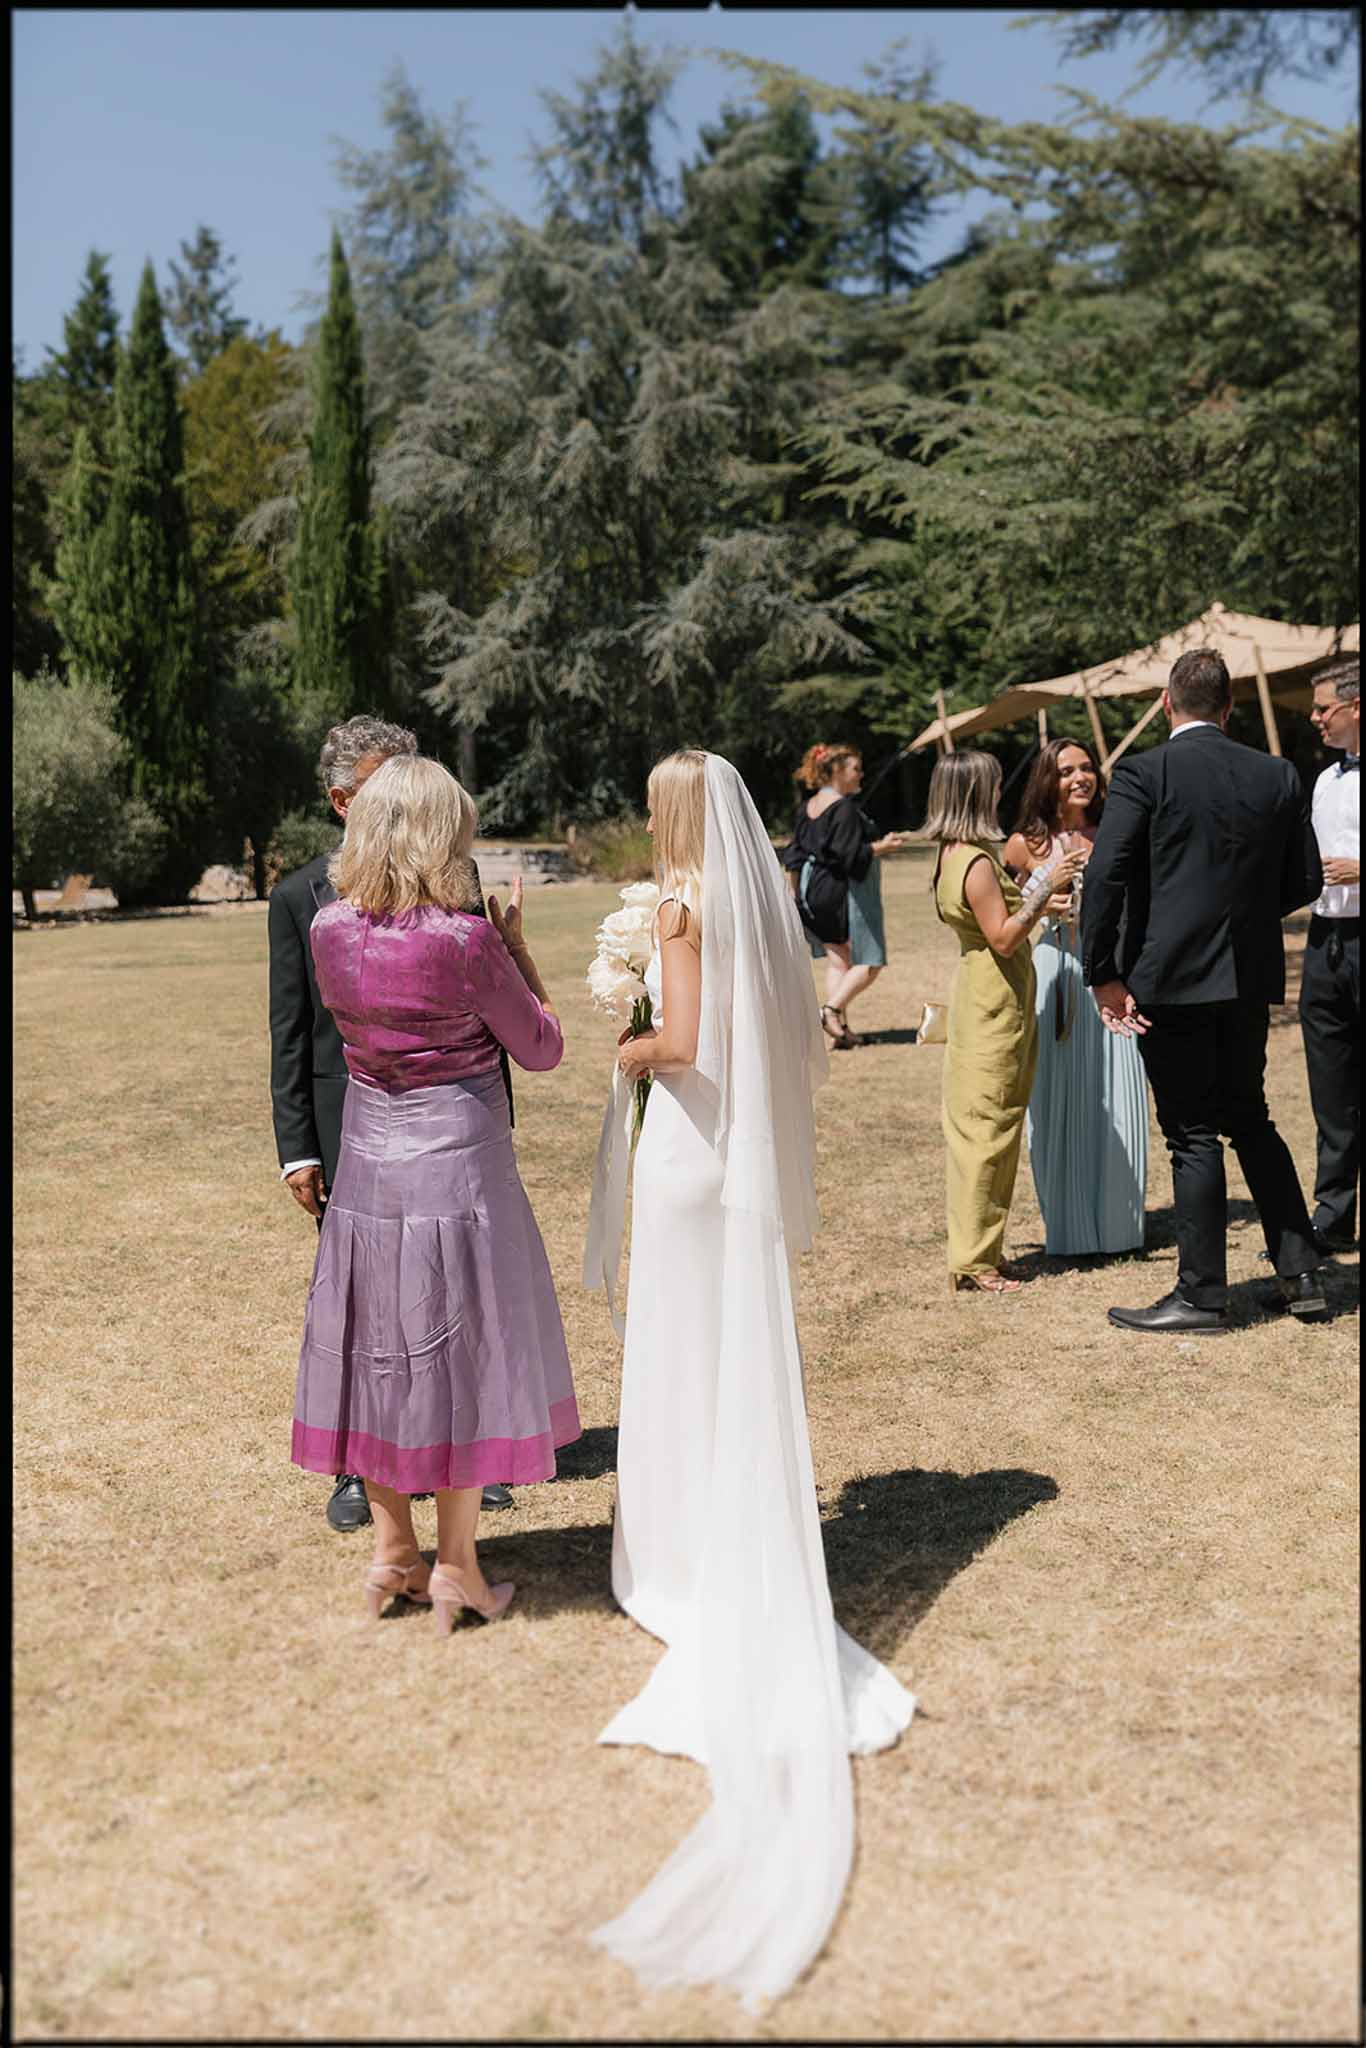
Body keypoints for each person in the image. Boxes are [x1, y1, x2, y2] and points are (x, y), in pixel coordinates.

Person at [583, 749, 914, 2008]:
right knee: (722, 1355)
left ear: (671, 816)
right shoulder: (764, 895)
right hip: (742, 1166)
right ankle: (718, 1527)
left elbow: (677, 1037)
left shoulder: (677, 905)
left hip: (685, 1159)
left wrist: (625, 1043)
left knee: (672, 1359)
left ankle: (669, 1555)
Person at [290, 755, 579, 1622]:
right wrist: (517, 943)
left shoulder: (329, 929)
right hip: (460, 1168)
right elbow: (542, 1046)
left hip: (370, 1169)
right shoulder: (464, 940)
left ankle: (391, 1554)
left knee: (379, 1351)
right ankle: (456, 1567)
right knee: (464, 1356)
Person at [269, 715, 515, 1527]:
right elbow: (291, 1030)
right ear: (342, 801)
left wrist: (497, 1110)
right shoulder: (301, 897)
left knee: (457, 1303)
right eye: (381, 787)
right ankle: (358, 1468)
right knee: (370, 1315)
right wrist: (298, 1149)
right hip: (356, 1130)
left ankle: (467, 1455)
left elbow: (483, 999)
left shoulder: (455, 876)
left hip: (455, 1129)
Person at [1081, 647, 1327, 1333]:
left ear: (1166, 703)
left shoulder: (1142, 769)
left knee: (1191, 1132)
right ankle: (1303, 1274)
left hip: (1169, 976)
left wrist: (1101, 971)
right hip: (1247, 976)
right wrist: (1241, 922)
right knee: (1251, 1117)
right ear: (1227, 707)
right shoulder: (1276, 773)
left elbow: (1105, 876)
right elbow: (1305, 881)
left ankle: (1201, 1295)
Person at [926, 749, 1086, 1294]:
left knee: (987, 1128)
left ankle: (981, 1251)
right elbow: (1003, 935)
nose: (999, 795)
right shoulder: (974, 860)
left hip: (982, 996)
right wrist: (1048, 882)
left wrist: (1042, 904)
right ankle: (975, 1262)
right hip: (993, 1006)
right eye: (992, 787)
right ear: (975, 794)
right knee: (988, 1133)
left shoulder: (952, 854)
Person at [1004, 738, 1148, 1256]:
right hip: (1058, 972)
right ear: (1048, 779)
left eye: (1087, 768)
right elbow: (1004, 919)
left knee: (1119, 1086)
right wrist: (1044, 901)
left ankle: (1119, 1225)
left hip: (1111, 973)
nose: (1080, 778)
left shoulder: (1116, 830)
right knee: (1060, 1096)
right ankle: (1069, 1227)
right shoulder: (1025, 844)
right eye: (1067, 771)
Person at [782, 743, 909, 1048]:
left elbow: (794, 855)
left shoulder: (809, 806)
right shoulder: (843, 809)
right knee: (870, 961)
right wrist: (884, 847)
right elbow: (849, 856)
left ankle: (840, 1030)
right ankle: (830, 1011)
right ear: (837, 771)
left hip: (812, 891)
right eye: (856, 768)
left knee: (839, 961)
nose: (861, 774)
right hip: (837, 891)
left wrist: (796, 893)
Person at [1299, 658, 1359, 1254]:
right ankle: (1334, 1218)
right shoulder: (1322, 781)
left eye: (1324, 708)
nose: (1314, 718)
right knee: (1331, 1083)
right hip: (1325, 941)